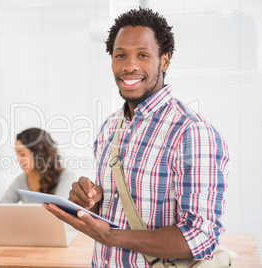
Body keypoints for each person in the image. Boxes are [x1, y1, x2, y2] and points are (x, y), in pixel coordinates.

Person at [44, 7, 230, 267]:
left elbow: (201, 237)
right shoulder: (110, 127)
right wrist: (92, 204)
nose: (129, 66)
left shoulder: (191, 132)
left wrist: (114, 237)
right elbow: (118, 212)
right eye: (120, 55)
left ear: (164, 61)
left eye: (142, 55)